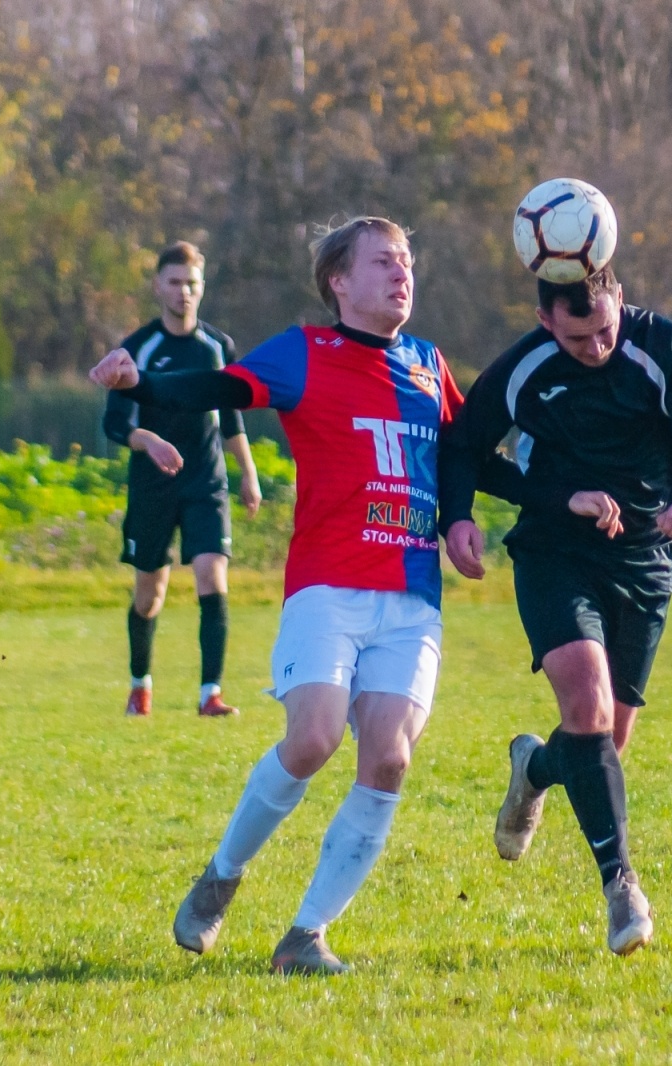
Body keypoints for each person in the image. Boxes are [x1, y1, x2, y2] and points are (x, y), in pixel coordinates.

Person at [89, 217, 468, 974]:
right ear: (339, 281)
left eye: (407, 263)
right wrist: (146, 384)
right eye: (384, 262)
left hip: (412, 596)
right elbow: (223, 387)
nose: (403, 275)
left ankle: (306, 935)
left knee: (389, 759)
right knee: (314, 737)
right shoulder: (304, 351)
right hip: (328, 585)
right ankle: (221, 877)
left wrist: (470, 517)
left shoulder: (429, 364)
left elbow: (463, 454)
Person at [440, 265, 672, 956]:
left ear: (620, 301)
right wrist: (467, 516)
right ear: (547, 322)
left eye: (604, 330)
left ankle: (535, 769)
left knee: (605, 742)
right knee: (589, 709)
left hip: (645, 560)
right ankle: (621, 888)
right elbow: (464, 449)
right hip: (554, 552)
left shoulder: (663, 348)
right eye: (578, 339)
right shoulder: (526, 368)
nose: (596, 347)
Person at [103, 241, 263, 719]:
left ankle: (210, 693)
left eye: (191, 283)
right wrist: (148, 441)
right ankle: (140, 684)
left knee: (212, 576)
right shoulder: (139, 347)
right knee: (150, 593)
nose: (183, 292)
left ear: (202, 287)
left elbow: (232, 417)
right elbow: (114, 423)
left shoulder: (218, 347)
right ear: (158, 286)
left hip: (205, 482)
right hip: (153, 485)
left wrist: (248, 474)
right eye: (174, 282)